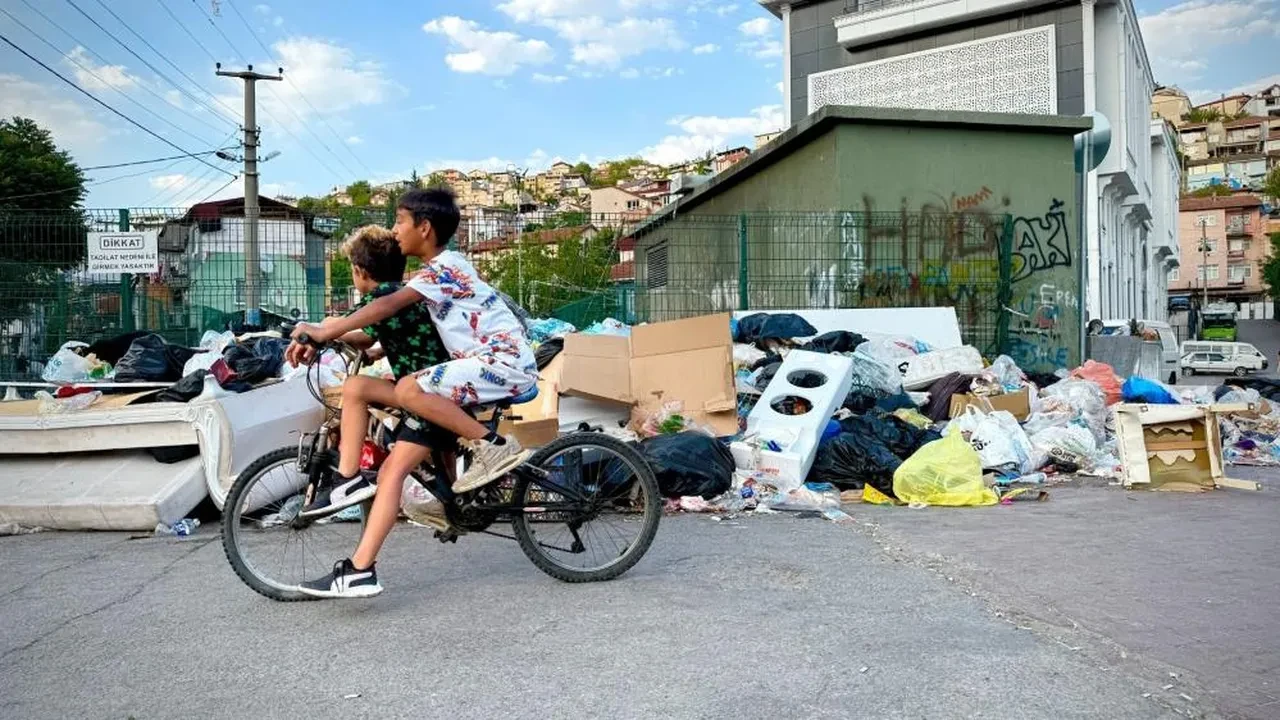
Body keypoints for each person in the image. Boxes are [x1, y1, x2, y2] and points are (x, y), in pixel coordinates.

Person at [291, 188, 538, 599]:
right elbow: (378, 331)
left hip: (501, 362)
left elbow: (384, 309)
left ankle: (492, 447)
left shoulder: (446, 267)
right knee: (364, 389)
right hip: (480, 366)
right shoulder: (429, 276)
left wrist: (321, 330)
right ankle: (389, 505)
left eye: (400, 221)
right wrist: (337, 338)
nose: (395, 230)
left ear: (424, 228)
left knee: (406, 392)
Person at [286, 224, 448, 520]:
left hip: (428, 391)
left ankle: (348, 477)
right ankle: (449, 499)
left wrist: (315, 332)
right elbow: (367, 336)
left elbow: (338, 325)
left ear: (359, 271)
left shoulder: (382, 296)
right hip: (435, 386)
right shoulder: (398, 294)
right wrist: (376, 350)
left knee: (356, 388)